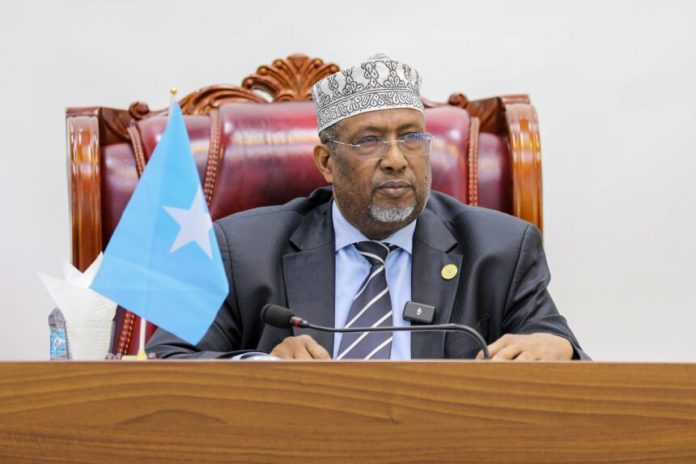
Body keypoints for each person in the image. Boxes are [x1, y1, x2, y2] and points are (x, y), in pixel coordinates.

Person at [147, 54, 588, 361]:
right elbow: (168, 357)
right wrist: (265, 368)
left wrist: (558, 348)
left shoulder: (500, 249)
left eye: (411, 138)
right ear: (327, 163)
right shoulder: (242, 249)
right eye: (369, 140)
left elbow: (557, 347)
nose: (396, 159)